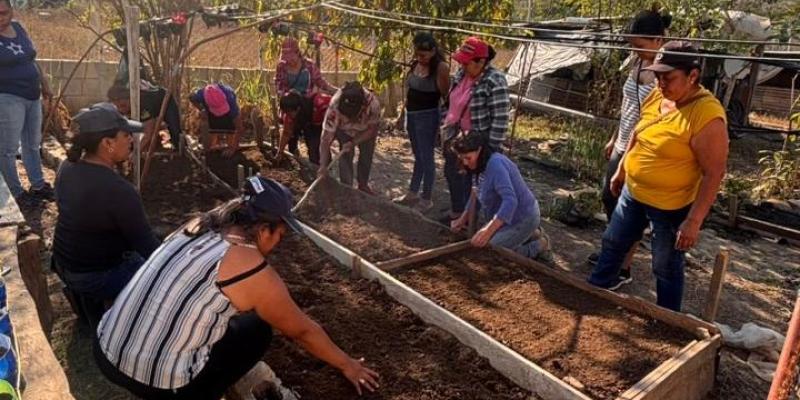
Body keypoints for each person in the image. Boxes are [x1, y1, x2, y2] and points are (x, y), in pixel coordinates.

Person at [94, 177, 380, 399]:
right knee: (257, 332)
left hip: (106, 348)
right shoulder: (249, 267)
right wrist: (347, 364)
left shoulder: (197, 225)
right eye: (280, 234)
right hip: (156, 381)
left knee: (240, 317)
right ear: (264, 228)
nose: (279, 243)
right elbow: (301, 330)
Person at [588, 41, 729, 311]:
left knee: (664, 264)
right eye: (658, 76)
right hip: (634, 193)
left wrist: (693, 221)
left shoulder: (706, 116)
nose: (661, 83)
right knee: (613, 242)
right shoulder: (658, 95)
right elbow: (638, 132)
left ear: (692, 76)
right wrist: (622, 169)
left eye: (669, 77)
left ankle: (667, 319)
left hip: (670, 206)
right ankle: (595, 291)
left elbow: (714, 173)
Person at [589, 7, 671, 286]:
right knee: (609, 199)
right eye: (632, 46)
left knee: (630, 210)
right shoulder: (636, 64)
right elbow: (627, 107)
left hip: (642, 150)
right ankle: (611, 253)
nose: (636, 51)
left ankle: (623, 266)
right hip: (622, 143)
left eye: (641, 45)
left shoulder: (666, 72)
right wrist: (614, 138)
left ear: (659, 40)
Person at [53, 103, 160, 314]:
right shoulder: (119, 191)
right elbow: (148, 248)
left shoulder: (67, 167)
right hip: (93, 276)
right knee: (157, 272)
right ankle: (120, 312)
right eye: (126, 135)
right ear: (107, 143)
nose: (131, 139)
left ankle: (87, 304)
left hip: (63, 262)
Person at [441, 36, 510, 224]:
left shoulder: (494, 80)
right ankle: (457, 213)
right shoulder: (461, 75)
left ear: (481, 62)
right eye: (461, 62)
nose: (462, 66)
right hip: (456, 137)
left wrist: (490, 150)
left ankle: (469, 221)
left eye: (466, 62)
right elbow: (451, 103)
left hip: (477, 144)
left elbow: (501, 119)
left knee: (472, 184)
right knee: (452, 174)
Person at [450, 131, 548, 259]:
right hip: (505, 219)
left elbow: (510, 201)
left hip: (522, 217)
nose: (465, 163)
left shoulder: (496, 165)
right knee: (482, 243)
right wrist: (462, 219)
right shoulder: (479, 164)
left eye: (468, 158)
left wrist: (488, 230)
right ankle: (530, 234)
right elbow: (476, 191)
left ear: (479, 150)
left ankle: (540, 245)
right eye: (462, 158)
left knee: (491, 252)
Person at [0, 0, 53, 202]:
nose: (1, 18)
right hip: (7, 97)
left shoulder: (18, 28)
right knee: (8, 149)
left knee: (32, 144)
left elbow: (31, 59)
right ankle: (16, 192)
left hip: (33, 95)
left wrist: (45, 84)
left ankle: (38, 185)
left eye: (4, 13)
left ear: (12, 11)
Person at [392, 32, 450, 213]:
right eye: (417, 54)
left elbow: (446, 96)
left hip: (427, 116)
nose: (420, 58)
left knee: (427, 158)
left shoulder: (440, 68)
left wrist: (444, 124)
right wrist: (403, 115)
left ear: (433, 51)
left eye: (423, 55)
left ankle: (426, 199)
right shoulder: (415, 64)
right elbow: (410, 90)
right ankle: (412, 192)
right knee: (418, 156)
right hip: (413, 115)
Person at [275, 37, 337, 157]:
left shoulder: (309, 65)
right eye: (286, 58)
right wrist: (286, 95)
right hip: (292, 104)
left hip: (308, 104)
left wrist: (336, 91)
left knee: (313, 138)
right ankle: (293, 156)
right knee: (290, 135)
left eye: (291, 57)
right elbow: (279, 85)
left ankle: (318, 161)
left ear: (298, 53)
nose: (289, 61)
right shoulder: (282, 66)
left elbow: (320, 82)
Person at [318, 81, 382, 195]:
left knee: (366, 155)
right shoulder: (334, 106)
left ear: (362, 107)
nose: (348, 119)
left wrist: (354, 142)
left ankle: (363, 185)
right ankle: (346, 188)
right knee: (345, 156)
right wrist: (323, 165)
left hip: (365, 130)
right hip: (344, 131)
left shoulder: (373, 104)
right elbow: (326, 138)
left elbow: (372, 130)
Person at [107, 81, 183, 151]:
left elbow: (149, 132)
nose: (122, 109)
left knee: (174, 128)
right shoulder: (118, 109)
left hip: (165, 99)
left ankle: (180, 150)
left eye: (123, 105)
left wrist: (136, 152)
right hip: (150, 106)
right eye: (118, 106)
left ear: (129, 99)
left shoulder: (144, 104)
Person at [189, 83, 243, 157]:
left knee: (230, 134)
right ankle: (212, 146)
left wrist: (233, 149)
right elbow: (191, 97)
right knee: (210, 146)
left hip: (228, 114)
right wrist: (201, 109)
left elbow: (239, 127)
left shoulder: (230, 100)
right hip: (210, 112)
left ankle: (229, 144)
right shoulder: (201, 95)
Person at [277, 90, 330, 165]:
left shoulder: (321, 103)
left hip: (323, 123)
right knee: (313, 152)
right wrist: (280, 152)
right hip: (309, 125)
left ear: (298, 108)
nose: (287, 115)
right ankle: (316, 170)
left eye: (289, 112)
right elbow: (286, 133)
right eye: (286, 112)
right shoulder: (289, 115)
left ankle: (326, 168)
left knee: (320, 149)